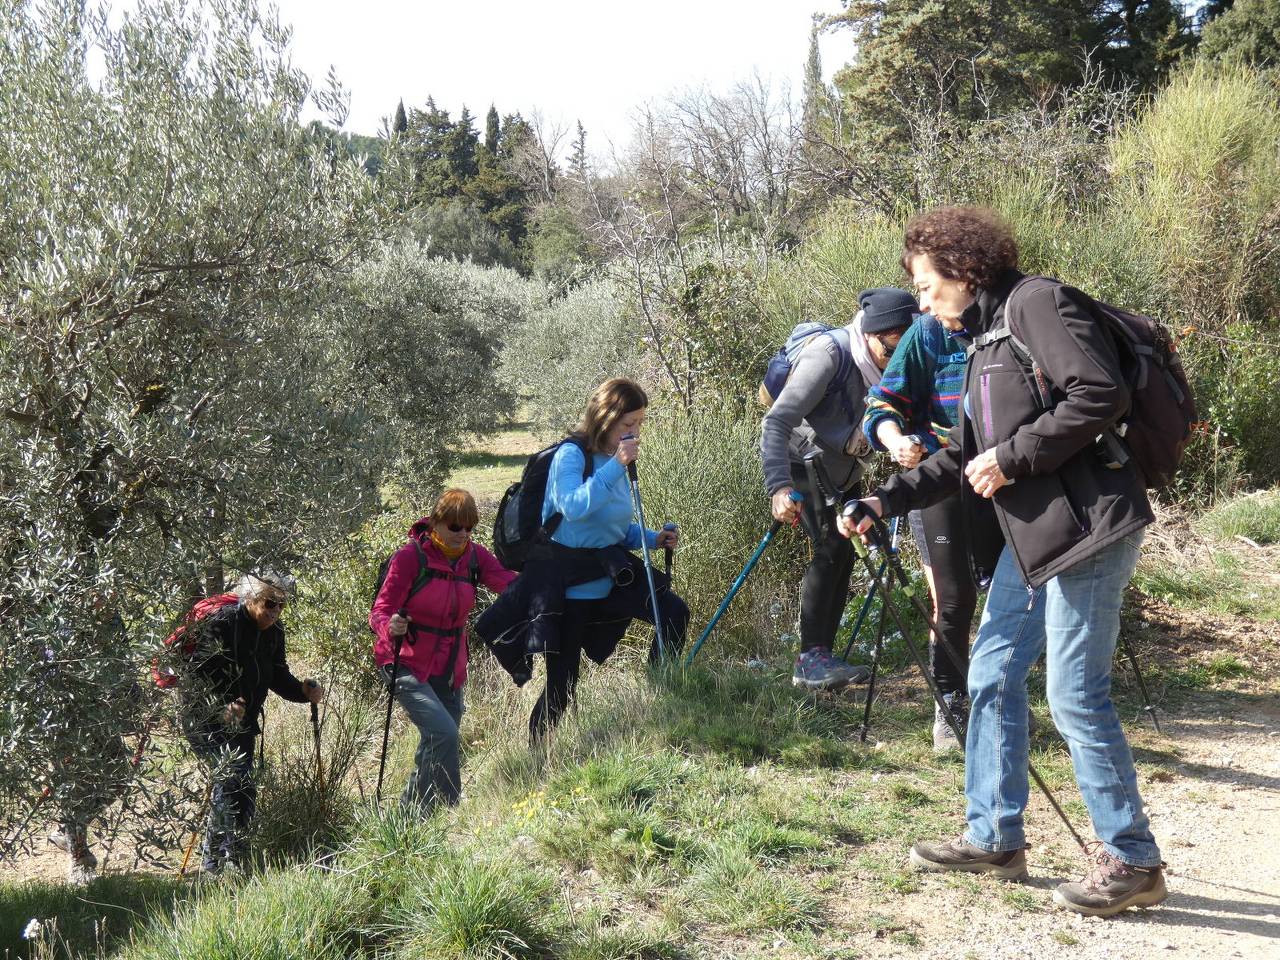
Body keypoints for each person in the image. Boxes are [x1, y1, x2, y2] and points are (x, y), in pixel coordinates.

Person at [841, 205, 1166, 917]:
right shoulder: (984, 339)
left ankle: (1133, 858)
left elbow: (1099, 392)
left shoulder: (1038, 304)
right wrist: (880, 502)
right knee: (989, 673)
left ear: (963, 270)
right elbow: (961, 456)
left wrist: (1012, 458)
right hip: (1038, 537)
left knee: (1075, 693)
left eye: (927, 286)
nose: (921, 302)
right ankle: (994, 836)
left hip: (1091, 526)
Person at [761, 288, 918, 690]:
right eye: (890, 351)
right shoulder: (829, 356)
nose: (895, 361)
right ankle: (809, 661)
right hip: (801, 461)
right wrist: (778, 487)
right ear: (870, 334)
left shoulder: (883, 362)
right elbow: (776, 423)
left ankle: (823, 658)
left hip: (843, 470)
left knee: (849, 544)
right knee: (832, 544)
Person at [863, 312, 1000, 750]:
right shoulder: (927, 333)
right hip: (937, 478)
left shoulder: (1009, 317)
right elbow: (883, 403)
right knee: (953, 597)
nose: (923, 301)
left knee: (1012, 593)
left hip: (1006, 477)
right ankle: (951, 704)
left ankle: (998, 697)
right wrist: (896, 441)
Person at [529, 377, 686, 741]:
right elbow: (574, 507)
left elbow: (613, 529)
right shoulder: (572, 455)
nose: (635, 433)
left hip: (609, 578)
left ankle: (657, 699)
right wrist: (616, 465)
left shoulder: (613, 460)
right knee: (562, 687)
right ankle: (535, 758)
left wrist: (652, 539)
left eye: (640, 424)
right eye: (628, 424)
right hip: (569, 589)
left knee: (674, 612)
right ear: (604, 417)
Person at [369, 489, 515, 813]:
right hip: (402, 659)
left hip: (449, 665)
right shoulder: (410, 558)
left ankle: (425, 816)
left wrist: (547, 583)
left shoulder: (474, 557)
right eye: (454, 526)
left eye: (468, 527)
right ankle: (435, 811)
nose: (462, 534)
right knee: (443, 732)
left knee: (439, 739)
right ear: (436, 522)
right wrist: (388, 625)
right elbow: (380, 609)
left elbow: (508, 583)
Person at [182, 570, 322, 876]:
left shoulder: (274, 632)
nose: (274, 611)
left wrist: (302, 691)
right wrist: (221, 708)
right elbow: (195, 677)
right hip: (204, 719)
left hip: (242, 722)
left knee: (244, 785)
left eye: (281, 605)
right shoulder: (223, 624)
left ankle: (235, 857)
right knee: (233, 778)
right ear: (251, 598)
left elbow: (277, 675)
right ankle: (214, 863)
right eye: (269, 603)